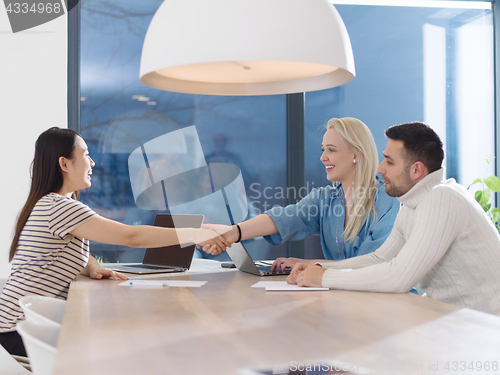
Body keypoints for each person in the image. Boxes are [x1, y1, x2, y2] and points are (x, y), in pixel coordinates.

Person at [0, 127, 229, 356]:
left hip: (22, 324)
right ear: (64, 163)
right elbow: (132, 237)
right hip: (21, 330)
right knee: (127, 342)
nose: (92, 162)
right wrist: (196, 234)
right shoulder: (59, 207)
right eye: (85, 154)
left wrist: (93, 266)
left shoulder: (49, 204)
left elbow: (60, 250)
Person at [287, 122, 500, 316]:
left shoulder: (442, 198)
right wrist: (318, 268)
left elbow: (398, 277)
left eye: (389, 161)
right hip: (453, 321)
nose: (380, 168)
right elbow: (379, 259)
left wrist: (322, 278)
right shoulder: (413, 205)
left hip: (483, 331)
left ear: (416, 169)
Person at [201, 117, 400, 270]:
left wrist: (312, 264)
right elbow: (285, 218)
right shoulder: (325, 199)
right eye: (323, 149)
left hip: (389, 301)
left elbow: (373, 263)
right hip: (346, 295)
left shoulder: (387, 199)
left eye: (331, 150)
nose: (323, 157)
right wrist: (232, 233)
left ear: (356, 154)